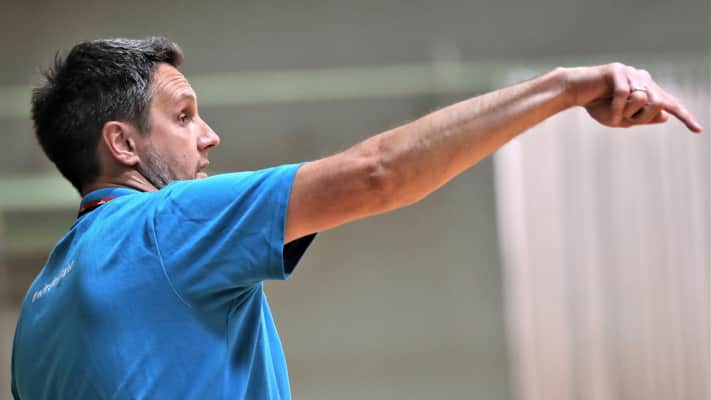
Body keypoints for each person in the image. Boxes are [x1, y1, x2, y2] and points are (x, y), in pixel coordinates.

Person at [10, 37, 702, 400]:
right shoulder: (163, 225)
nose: (209, 136)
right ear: (122, 144)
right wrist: (565, 88)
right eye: (184, 116)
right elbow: (379, 173)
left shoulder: (35, 321)